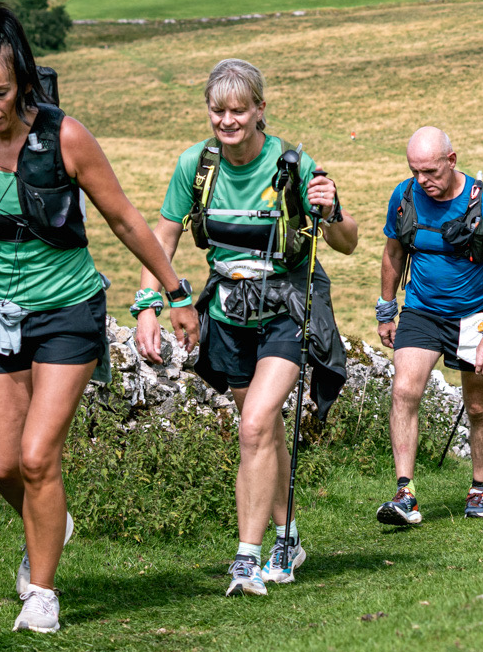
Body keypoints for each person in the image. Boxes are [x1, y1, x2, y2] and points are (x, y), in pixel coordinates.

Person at [0, 4, 199, 634]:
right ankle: (50, 521)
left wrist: (176, 293)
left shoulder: (67, 137)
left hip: (69, 311)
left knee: (40, 457)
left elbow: (124, 219)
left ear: (23, 81)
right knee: (2, 466)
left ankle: (41, 593)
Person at [133, 59, 357, 598]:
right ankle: (289, 536)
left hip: (287, 308)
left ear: (260, 110)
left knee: (255, 424)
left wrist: (332, 210)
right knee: (265, 430)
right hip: (229, 313)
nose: (227, 121)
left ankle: (246, 559)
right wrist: (148, 304)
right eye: (218, 111)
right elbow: (160, 237)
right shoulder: (197, 165)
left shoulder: (295, 165)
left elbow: (347, 242)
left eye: (238, 110)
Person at [376, 127, 483, 524]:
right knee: (404, 390)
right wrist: (387, 307)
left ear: (451, 161)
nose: (423, 181)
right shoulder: (404, 197)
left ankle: (479, 489)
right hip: (421, 311)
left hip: (474, 317)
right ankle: (405, 493)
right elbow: (394, 251)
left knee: (476, 406)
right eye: (415, 171)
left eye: (431, 172)